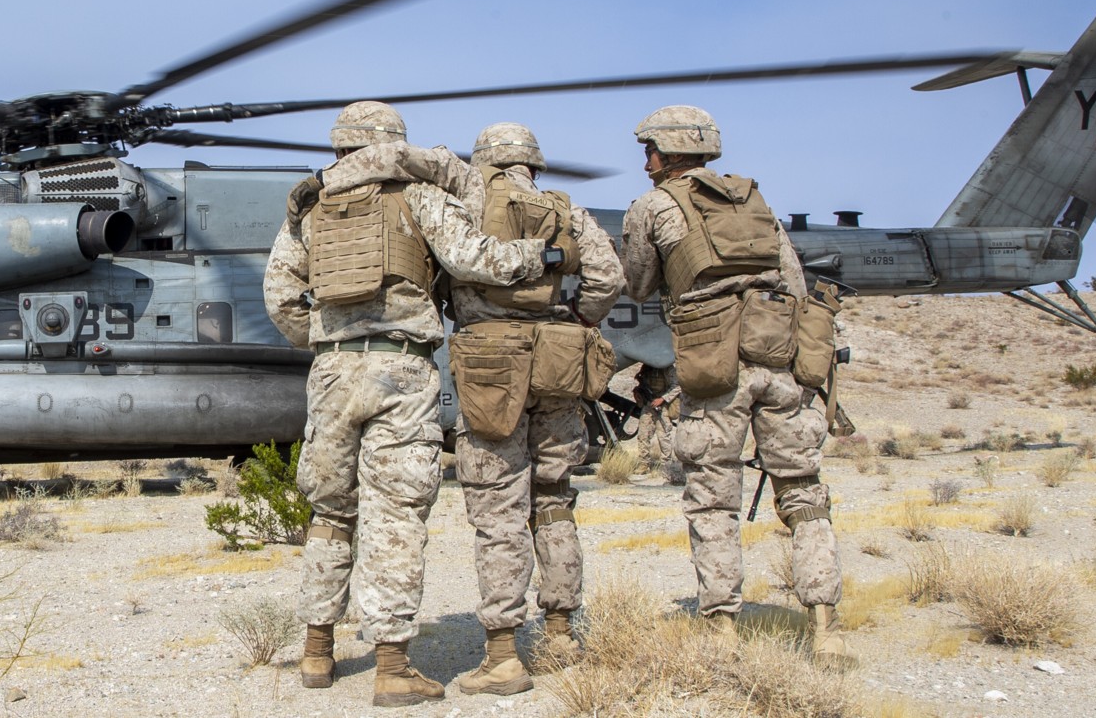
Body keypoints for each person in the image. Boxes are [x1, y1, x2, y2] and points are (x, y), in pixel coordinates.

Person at [264, 101, 555, 708]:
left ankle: (317, 651)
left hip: (332, 370)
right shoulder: (418, 197)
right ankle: (392, 667)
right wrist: (536, 255)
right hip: (401, 368)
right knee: (394, 515)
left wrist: (326, 338)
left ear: (341, 147)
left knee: (331, 513)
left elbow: (281, 296)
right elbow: (474, 259)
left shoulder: (310, 209)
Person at [618, 105, 850, 668]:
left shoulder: (653, 206)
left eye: (650, 150)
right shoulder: (756, 202)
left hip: (714, 370)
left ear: (671, 153)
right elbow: (793, 283)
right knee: (803, 492)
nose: (645, 161)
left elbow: (639, 284)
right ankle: (827, 629)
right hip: (778, 362)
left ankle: (723, 630)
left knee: (712, 498)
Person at [445, 123, 624, 696]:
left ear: (485, 160)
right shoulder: (562, 208)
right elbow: (609, 276)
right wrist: (581, 318)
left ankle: (502, 655)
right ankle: (562, 631)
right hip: (556, 362)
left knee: (498, 510)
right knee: (553, 499)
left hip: (489, 365)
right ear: (533, 163)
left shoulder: (465, 199)